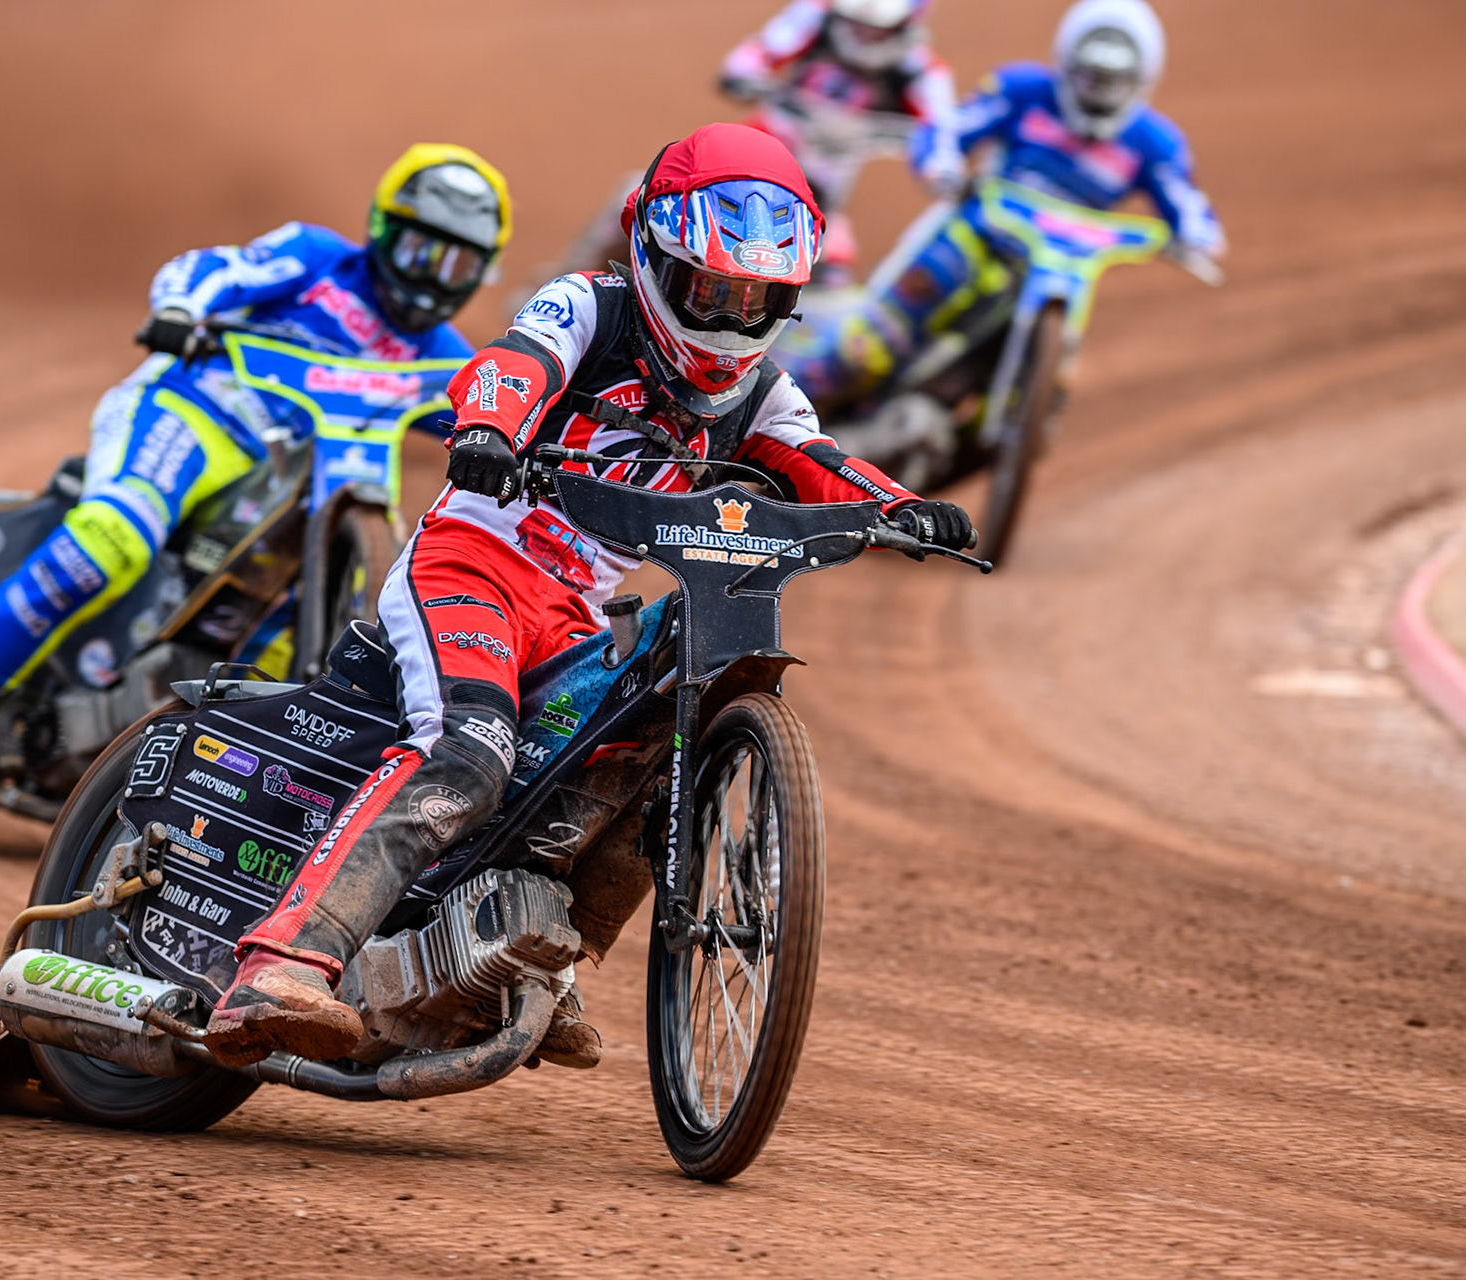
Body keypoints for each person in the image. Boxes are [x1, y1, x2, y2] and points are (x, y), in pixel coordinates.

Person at [195, 123, 975, 1071]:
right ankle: (281, 965)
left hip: (573, 612)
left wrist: (903, 510)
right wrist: (489, 424)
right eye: (712, 291)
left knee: (654, 747)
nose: (731, 321)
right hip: (472, 564)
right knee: (469, 754)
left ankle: (536, 958)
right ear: (652, 254)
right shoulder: (590, 309)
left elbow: (816, 461)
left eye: (757, 299)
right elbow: (511, 365)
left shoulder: (758, 392)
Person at [0, 145, 512, 796]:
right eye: (421, 251)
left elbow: (499, 413)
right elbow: (215, 270)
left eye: (457, 264)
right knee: (114, 539)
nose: (430, 278)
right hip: (192, 413)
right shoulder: (316, 259)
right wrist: (180, 310)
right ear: (381, 230)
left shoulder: (445, 359)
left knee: (290, 628)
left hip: (293, 488)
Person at [852, 0, 1225, 393]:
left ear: (1142, 79)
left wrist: (1198, 237)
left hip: (1060, 269)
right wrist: (941, 165)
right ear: (1067, 62)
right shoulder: (1022, 90)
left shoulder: (1154, 142)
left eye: (1114, 80)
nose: (1099, 91)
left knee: (1061, 371)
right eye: (1091, 76)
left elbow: (1187, 203)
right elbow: (948, 130)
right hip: (978, 235)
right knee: (868, 343)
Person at [721, 0, 958, 278]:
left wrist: (941, 170)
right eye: (857, 24)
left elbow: (942, 134)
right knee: (720, 199)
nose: (864, 34)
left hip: (838, 175)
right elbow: (759, 52)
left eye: (877, 29)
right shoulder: (815, 16)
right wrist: (745, 75)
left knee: (829, 259)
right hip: (772, 141)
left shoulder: (924, 72)